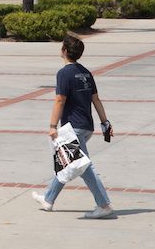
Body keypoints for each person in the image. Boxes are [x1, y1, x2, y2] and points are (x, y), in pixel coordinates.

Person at [33, 33, 116, 220]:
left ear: (64, 51)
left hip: (74, 127)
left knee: (83, 166)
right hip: (86, 125)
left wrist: (52, 125)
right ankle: (48, 199)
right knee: (69, 163)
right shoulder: (85, 72)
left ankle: (104, 205)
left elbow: (59, 100)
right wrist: (105, 122)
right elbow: (96, 99)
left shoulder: (64, 73)